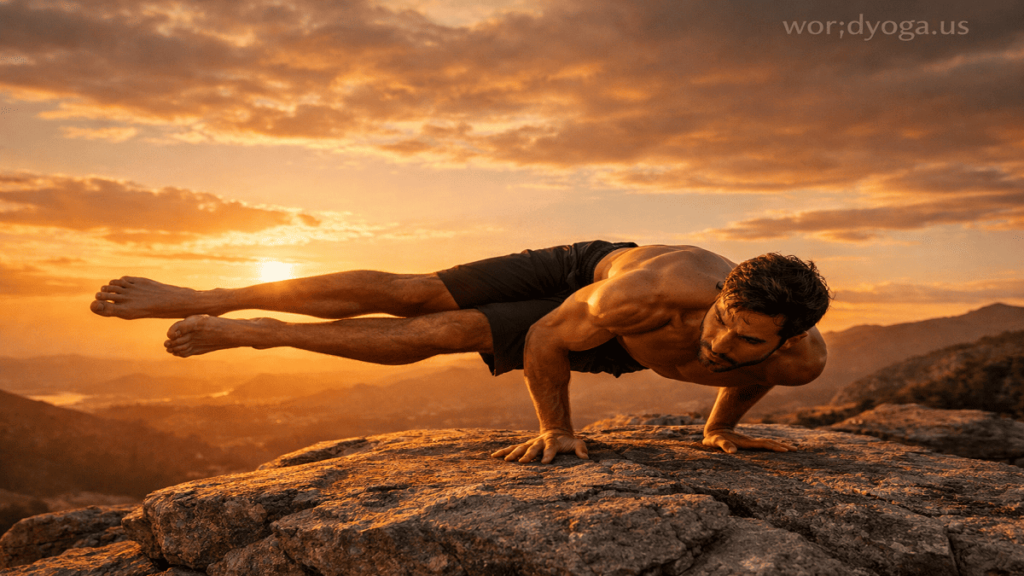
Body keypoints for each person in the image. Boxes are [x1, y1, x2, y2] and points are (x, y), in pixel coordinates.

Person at [90, 241, 830, 465]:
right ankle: (210, 298)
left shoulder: (797, 360)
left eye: (746, 341)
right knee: (419, 300)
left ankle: (268, 330)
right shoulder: (644, 295)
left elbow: (756, 374)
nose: (720, 342)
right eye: (722, 321)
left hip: (627, 344)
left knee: (441, 336)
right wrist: (556, 430)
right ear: (719, 294)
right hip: (587, 277)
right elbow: (547, 336)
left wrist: (719, 427)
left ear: (787, 339)